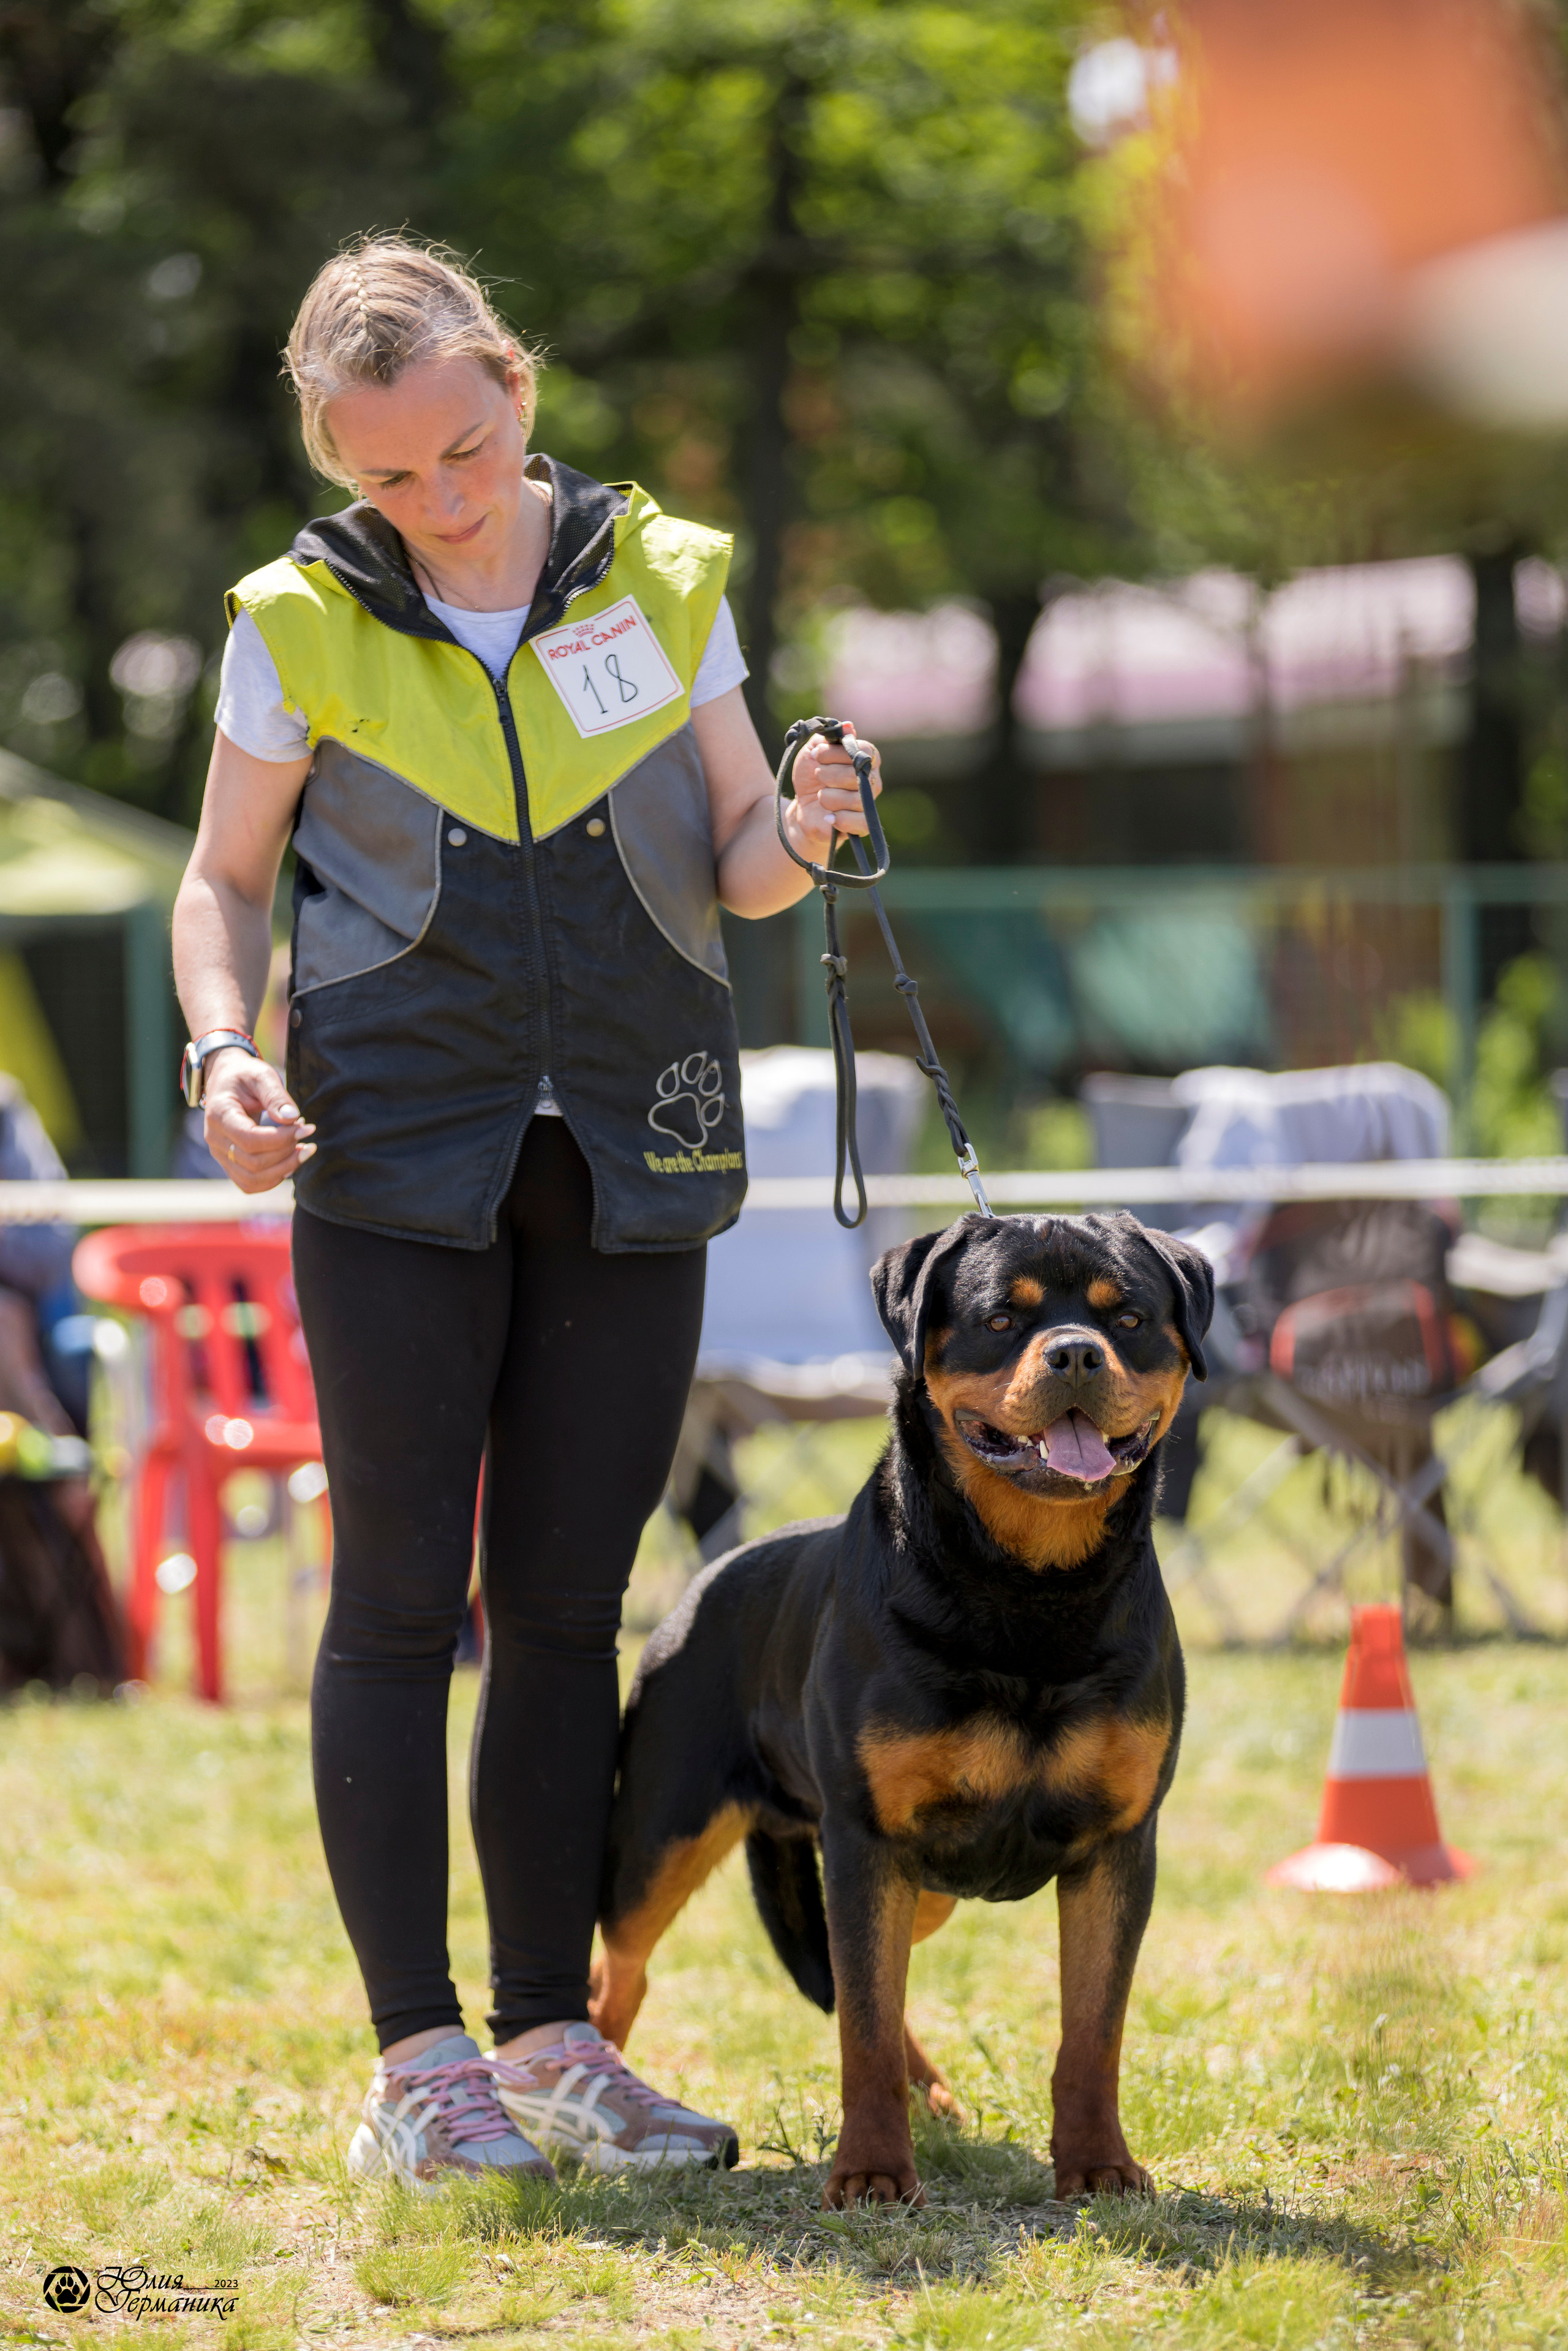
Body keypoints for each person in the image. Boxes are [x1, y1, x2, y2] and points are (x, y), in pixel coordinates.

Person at [171, 236, 881, 2187]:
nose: (444, 502)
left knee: (572, 1613)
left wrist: (807, 832)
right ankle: (423, 2069)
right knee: (401, 1605)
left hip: (635, 1137)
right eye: (393, 476)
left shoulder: (666, 581)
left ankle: (554, 2038)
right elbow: (222, 883)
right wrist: (224, 1048)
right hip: (390, 1150)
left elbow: (743, 862)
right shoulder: (295, 621)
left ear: (517, 383)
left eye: (466, 450)